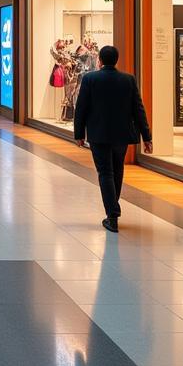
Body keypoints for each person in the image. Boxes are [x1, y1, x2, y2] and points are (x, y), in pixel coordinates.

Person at [73, 45, 152, 233]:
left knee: (105, 172)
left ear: (99, 60)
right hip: (121, 134)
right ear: (116, 60)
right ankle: (112, 210)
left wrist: (79, 134)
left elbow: (81, 108)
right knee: (117, 169)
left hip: (98, 134)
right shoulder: (128, 80)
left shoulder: (90, 79)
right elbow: (138, 110)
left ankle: (112, 215)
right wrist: (146, 136)